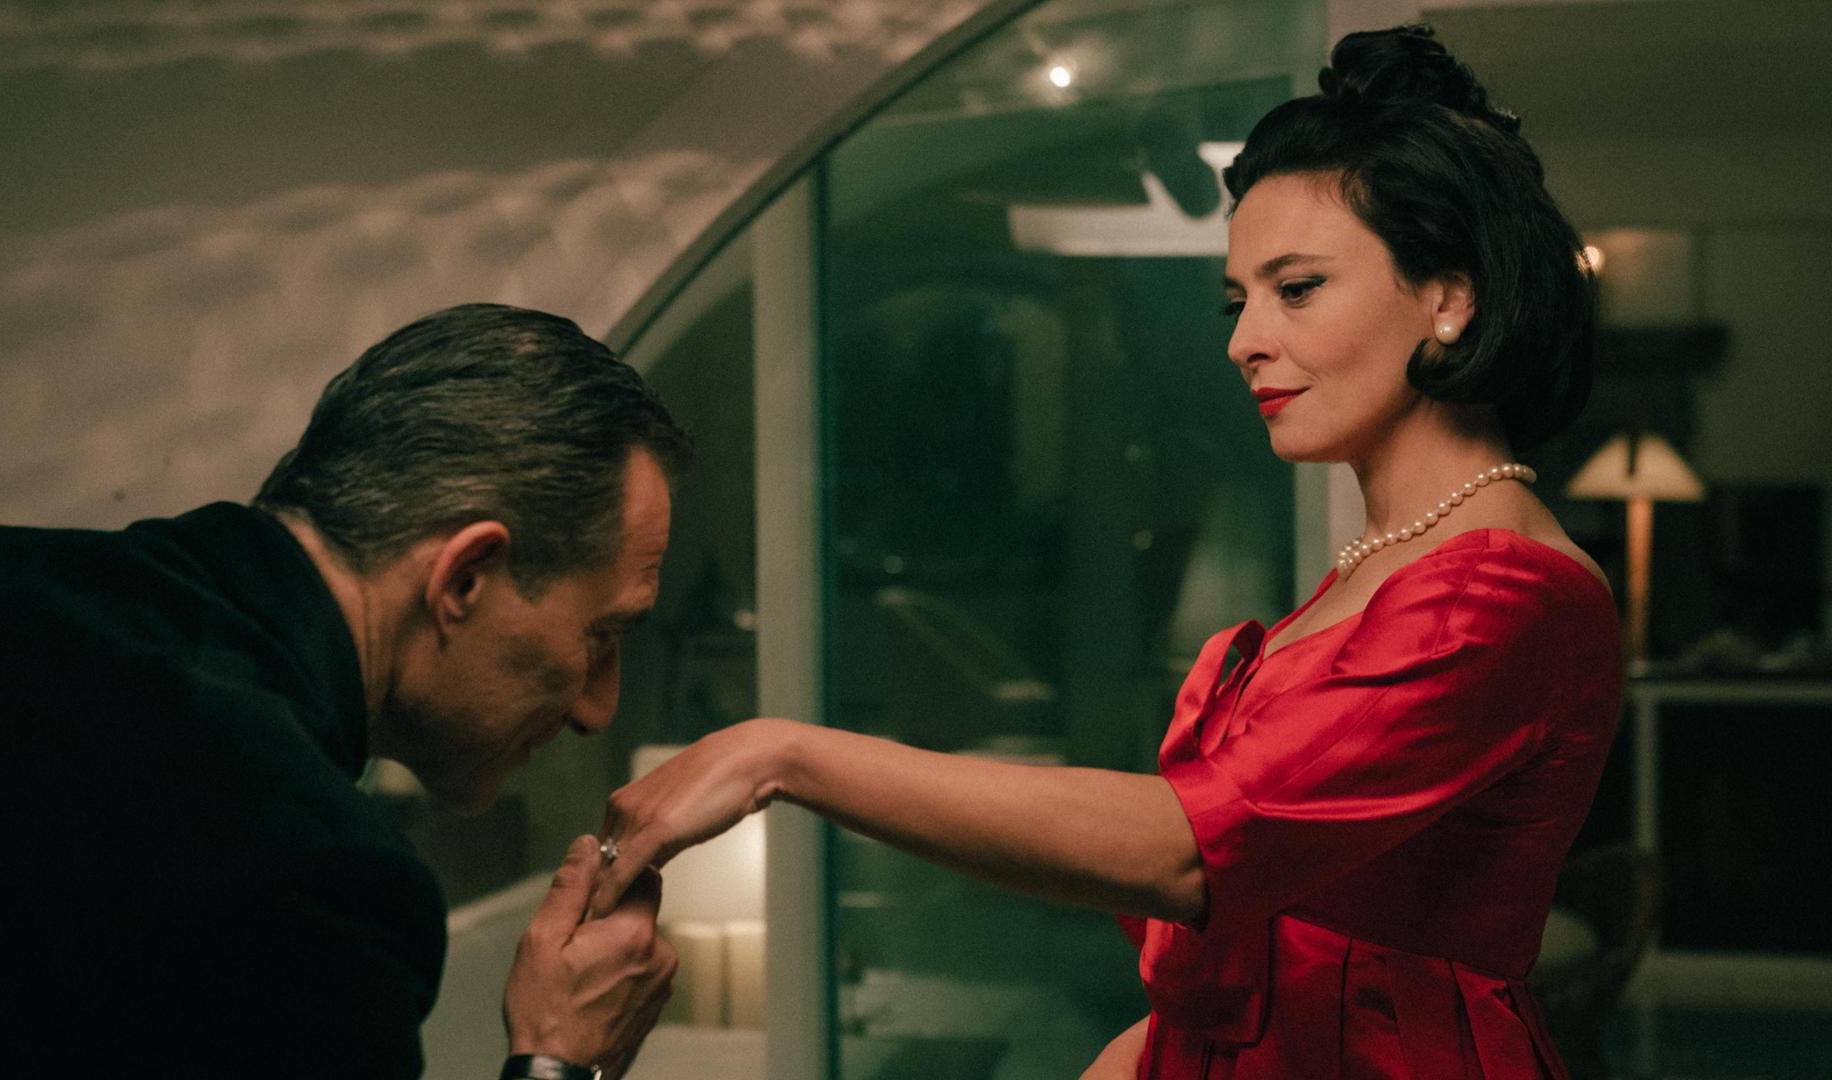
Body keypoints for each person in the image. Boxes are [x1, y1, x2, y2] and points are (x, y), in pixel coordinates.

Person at [586, 25, 1618, 1080]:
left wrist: (782, 757)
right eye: (1238, 300)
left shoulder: (1495, 591)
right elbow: (1264, 966)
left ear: (1449, 297)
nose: (1243, 340)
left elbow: (1186, 849)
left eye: (1298, 288)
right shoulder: (1385, 570)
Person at [0, 303, 691, 1079]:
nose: (598, 709)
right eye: (602, 636)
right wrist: (560, 1061)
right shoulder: (311, 881)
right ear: (465, 579)